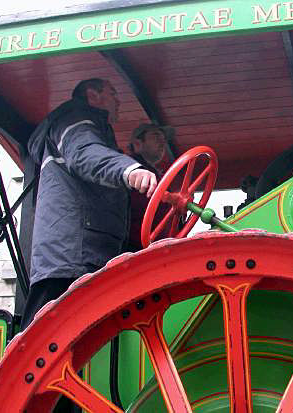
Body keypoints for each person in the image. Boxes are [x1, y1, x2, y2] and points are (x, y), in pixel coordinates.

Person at [22, 78, 158, 329]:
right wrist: (128, 170)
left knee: (53, 340)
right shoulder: (76, 119)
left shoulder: (91, 127)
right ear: (92, 95)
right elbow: (85, 154)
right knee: (43, 344)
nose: (118, 101)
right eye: (112, 93)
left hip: (78, 253)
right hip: (73, 256)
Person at [127, 123, 175, 250]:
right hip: (134, 247)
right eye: (156, 136)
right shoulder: (129, 170)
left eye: (164, 139)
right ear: (137, 144)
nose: (162, 142)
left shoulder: (157, 174)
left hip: (156, 246)